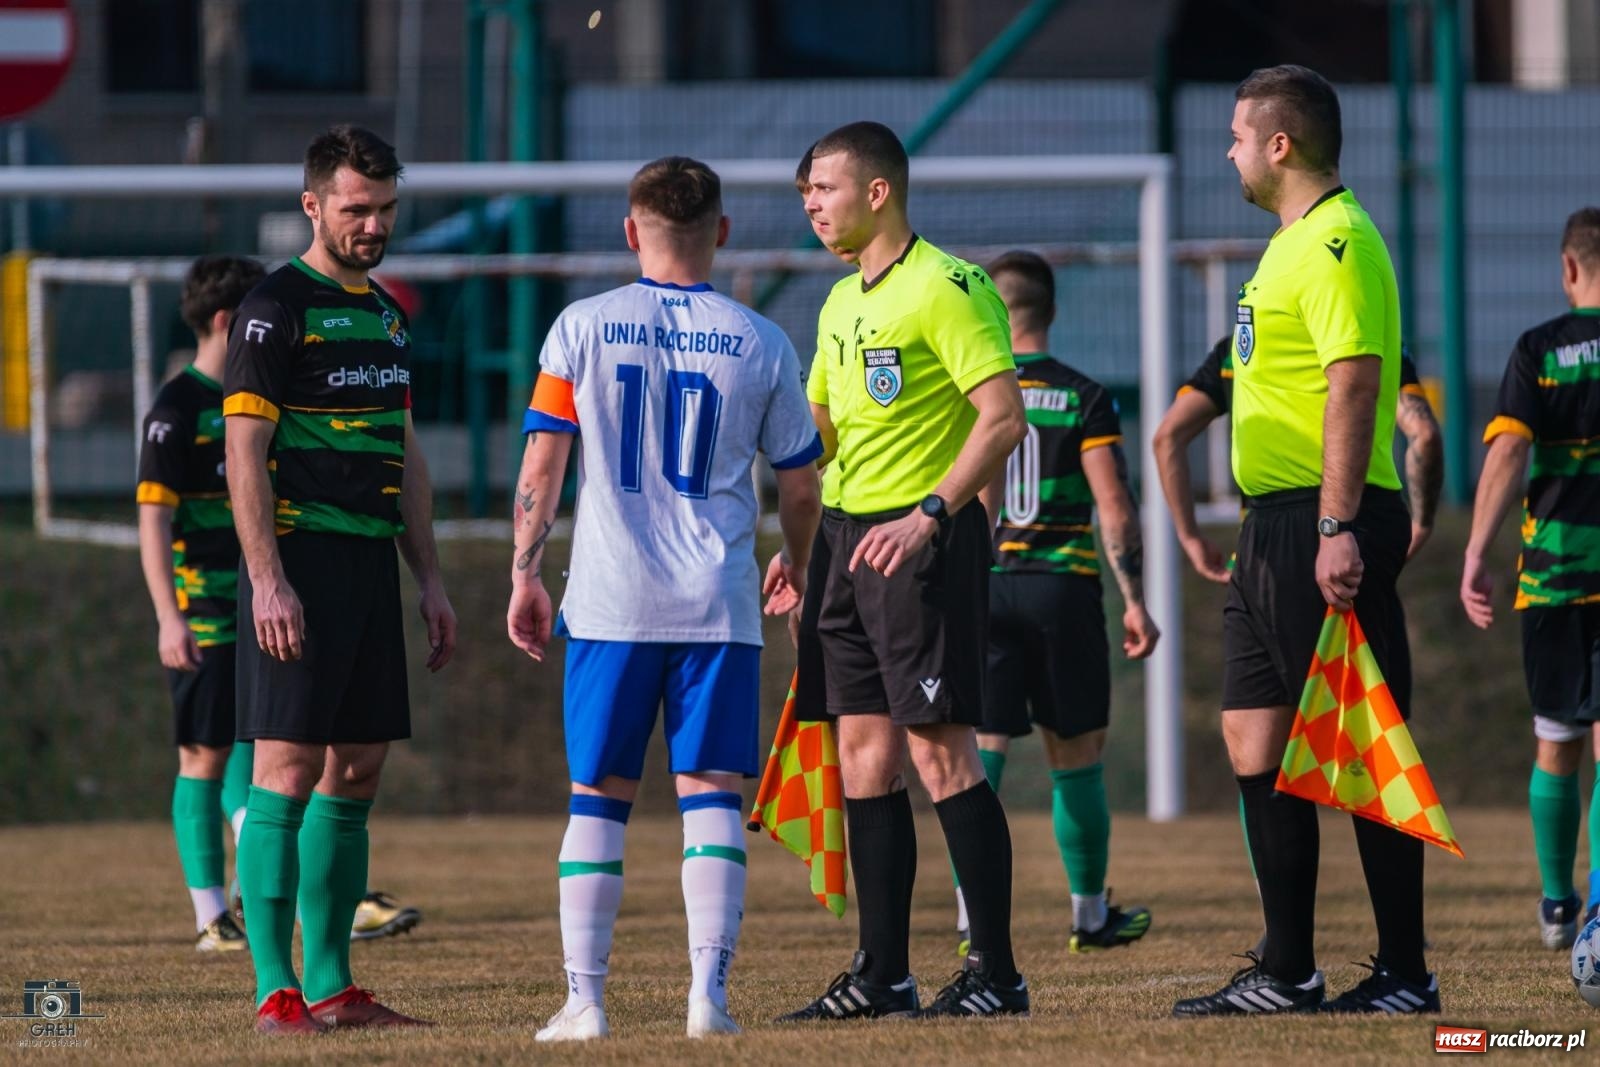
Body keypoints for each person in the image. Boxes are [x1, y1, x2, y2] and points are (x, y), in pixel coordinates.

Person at [507, 156, 823, 1042]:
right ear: (721, 233)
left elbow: (542, 464)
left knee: (597, 798)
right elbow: (800, 488)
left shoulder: (581, 327)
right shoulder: (762, 340)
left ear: (629, 231)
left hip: (609, 604)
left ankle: (585, 1001)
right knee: (712, 798)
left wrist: (525, 573)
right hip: (717, 608)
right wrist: (800, 572)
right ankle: (707, 999)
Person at [1170, 65, 1437, 1018]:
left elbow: (1356, 383)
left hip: (1319, 522)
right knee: (1253, 736)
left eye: (1239, 135)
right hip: (1267, 527)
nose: (1229, 151)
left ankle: (1405, 973)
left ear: (1280, 145)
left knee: (1361, 746)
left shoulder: (1336, 241)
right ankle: (1289, 971)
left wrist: (1332, 526)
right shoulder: (1286, 246)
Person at [777, 121, 1030, 1022]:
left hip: (919, 547)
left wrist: (930, 514)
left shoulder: (949, 287)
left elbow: (1003, 419)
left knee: (939, 751)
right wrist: (800, 546)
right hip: (845, 546)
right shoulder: (840, 301)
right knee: (862, 754)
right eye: (806, 191)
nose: (811, 204)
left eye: (825, 188)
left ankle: (997, 974)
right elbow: (825, 434)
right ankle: (882, 974)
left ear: (878, 191)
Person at [224, 124, 456, 1036]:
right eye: (358, 209)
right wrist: (267, 579)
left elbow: (406, 452)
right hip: (299, 560)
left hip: (369, 561)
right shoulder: (273, 308)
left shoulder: (391, 315)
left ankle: (333, 985)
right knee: (285, 768)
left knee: (356, 768)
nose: (374, 225)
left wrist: (430, 579)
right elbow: (244, 452)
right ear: (313, 205)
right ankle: (276, 992)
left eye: (387, 209)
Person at [946, 250, 1156, 958]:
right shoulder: (1084, 394)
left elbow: (971, 493)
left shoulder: (974, 392)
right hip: (1062, 587)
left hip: (989, 581)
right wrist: (1135, 598)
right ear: (1051, 311)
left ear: (994, 315)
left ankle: (973, 917)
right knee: (1077, 755)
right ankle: (1090, 915)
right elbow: (1116, 510)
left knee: (978, 752)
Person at [1462, 206, 1600, 944]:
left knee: (1557, 740)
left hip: (1553, 575)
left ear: (1568, 269)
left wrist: (1476, 551)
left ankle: (1558, 902)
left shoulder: (1539, 349)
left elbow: (1509, 454)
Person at [138, 255, 265, 954]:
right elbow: (154, 521)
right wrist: (169, 615)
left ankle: (258, 889)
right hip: (206, 615)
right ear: (226, 322)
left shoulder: (263, 398)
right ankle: (211, 914)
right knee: (204, 755)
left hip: (264, 610)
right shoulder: (175, 411)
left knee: (257, 742)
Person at [1155, 337, 1442, 584]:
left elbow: (1167, 438)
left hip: (1260, 555)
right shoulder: (1365, 344)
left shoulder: (1236, 351)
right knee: (1360, 649)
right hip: (1351, 552)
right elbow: (1424, 434)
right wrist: (1421, 524)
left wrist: (1190, 537)